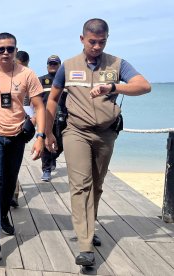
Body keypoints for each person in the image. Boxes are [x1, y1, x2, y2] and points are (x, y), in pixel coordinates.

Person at [45, 18, 151, 266]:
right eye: (92, 41)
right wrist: (47, 132)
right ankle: (85, 246)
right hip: (76, 132)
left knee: (97, 184)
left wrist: (113, 87)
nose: (96, 46)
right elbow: (52, 99)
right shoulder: (68, 66)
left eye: (102, 42)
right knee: (81, 185)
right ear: (82, 39)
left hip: (106, 133)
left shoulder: (117, 63)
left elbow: (144, 86)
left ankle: (88, 229)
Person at [0, 32, 45, 260]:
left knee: (9, 184)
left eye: (10, 48)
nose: (6, 52)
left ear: (16, 50)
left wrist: (40, 136)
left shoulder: (27, 74)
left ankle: (3, 215)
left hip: (17, 135)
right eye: (1, 49)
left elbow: (39, 106)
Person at [40, 55, 67, 182]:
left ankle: (53, 158)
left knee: (62, 144)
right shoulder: (41, 80)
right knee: (45, 144)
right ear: (47, 65)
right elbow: (33, 99)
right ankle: (46, 169)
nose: (52, 65)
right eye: (50, 63)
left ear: (60, 66)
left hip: (63, 118)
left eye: (55, 64)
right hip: (46, 117)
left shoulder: (66, 82)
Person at [9, 50, 30, 208]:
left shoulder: (30, 78)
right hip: (5, 124)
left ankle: (14, 194)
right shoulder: (7, 77)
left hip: (23, 127)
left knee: (13, 163)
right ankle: (10, 192)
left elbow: (37, 105)